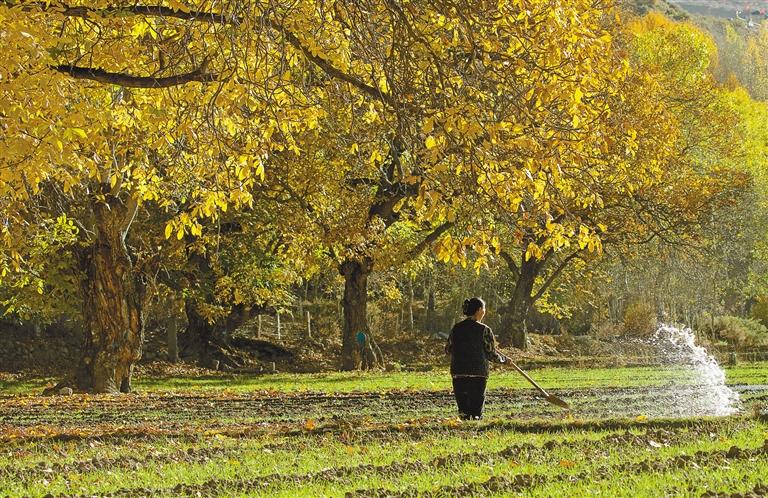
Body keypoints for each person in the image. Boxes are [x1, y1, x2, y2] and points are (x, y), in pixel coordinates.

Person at [445, 297, 506, 420]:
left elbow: (448, 350)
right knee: (476, 413)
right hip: (478, 374)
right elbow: (491, 354)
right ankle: (474, 430)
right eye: (484, 309)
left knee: (463, 412)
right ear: (478, 310)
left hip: (459, 373)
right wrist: (504, 360)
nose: (484, 312)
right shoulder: (484, 330)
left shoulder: (456, 328)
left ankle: (464, 430)